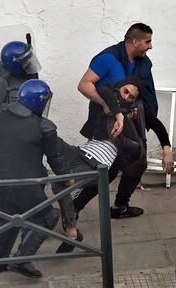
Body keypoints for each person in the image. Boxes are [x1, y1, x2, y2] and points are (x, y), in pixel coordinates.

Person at [75, 22, 174, 219]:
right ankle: (73, 208)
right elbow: (84, 85)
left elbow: (147, 106)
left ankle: (120, 206)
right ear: (134, 41)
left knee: (136, 163)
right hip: (106, 126)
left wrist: (166, 148)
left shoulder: (141, 63)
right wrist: (106, 104)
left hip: (132, 123)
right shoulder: (108, 59)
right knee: (107, 172)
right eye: (148, 41)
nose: (151, 46)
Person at [54, 76, 146, 253]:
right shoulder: (106, 103)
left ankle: (71, 229)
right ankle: (70, 225)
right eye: (125, 91)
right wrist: (118, 114)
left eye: (131, 97)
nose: (126, 97)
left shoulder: (130, 116)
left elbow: (146, 131)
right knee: (62, 180)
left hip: (99, 163)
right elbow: (103, 89)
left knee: (64, 188)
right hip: (85, 152)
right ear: (119, 88)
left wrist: (166, 147)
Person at [0, 79, 66, 278]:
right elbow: (54, 158)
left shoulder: (1, 114)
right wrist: (67, 177)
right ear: (40, 102)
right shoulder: (45, 126)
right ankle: (22, 260)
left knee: (10, 213)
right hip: (21, 180)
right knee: (47, 216)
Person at [0, 37, 43, 224]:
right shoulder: (0, 81)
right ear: (13, 64)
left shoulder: (26, 73)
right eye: (25, 61)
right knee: (31, 173)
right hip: (13, 133)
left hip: (25, 129)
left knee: (17, 174)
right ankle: (39, 219)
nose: (29, 63)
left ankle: (0, 210)